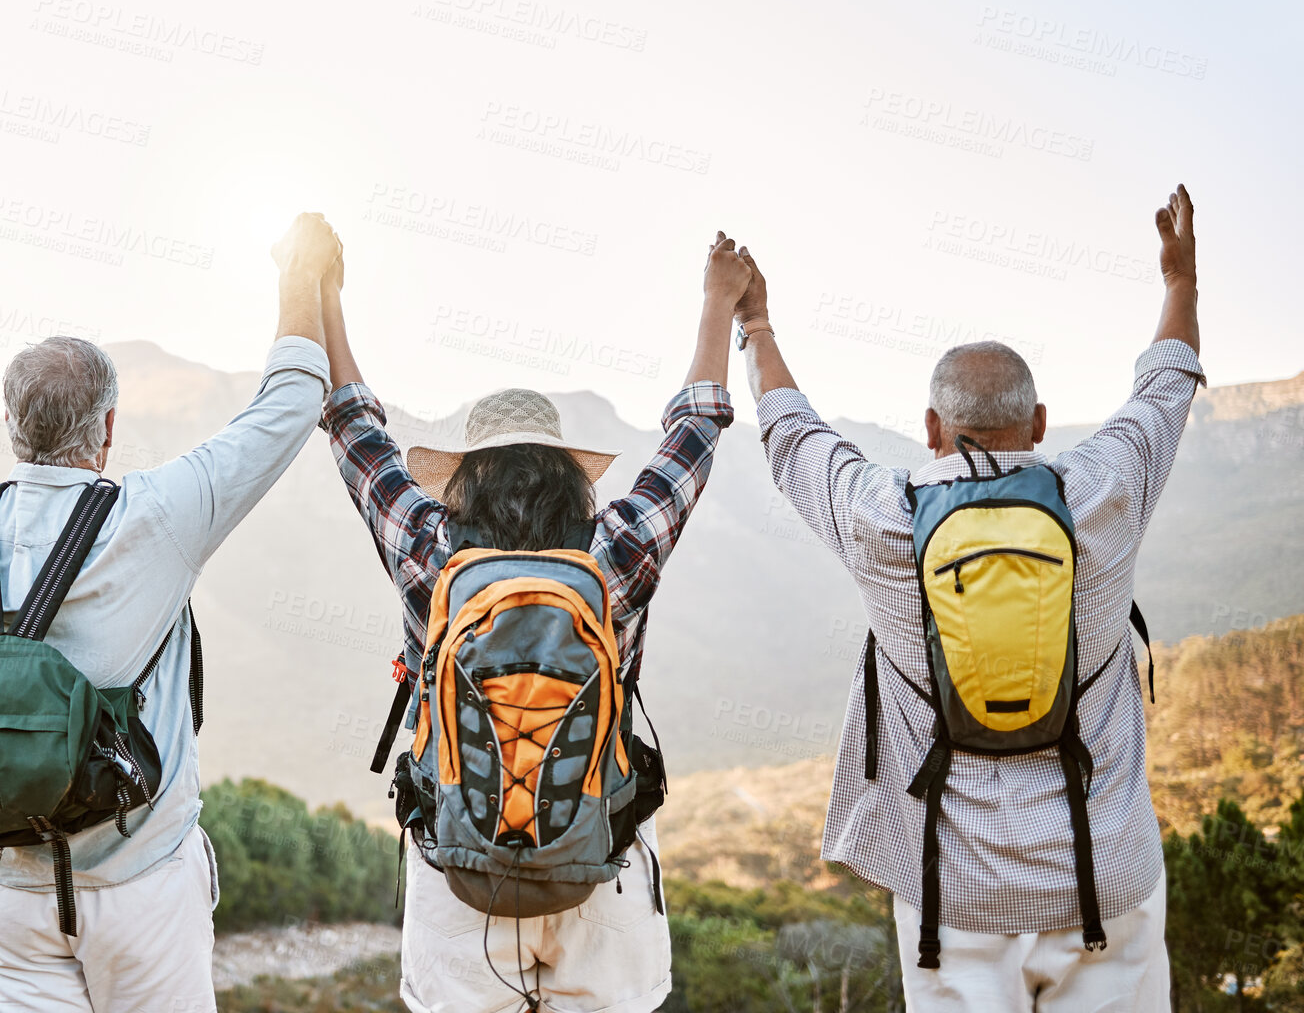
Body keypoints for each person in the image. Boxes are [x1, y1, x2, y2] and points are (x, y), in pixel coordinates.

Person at [735, 186, 1203, 1011]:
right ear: (1041, 422)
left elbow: (791, 434)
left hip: (951, 901)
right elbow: (1165, 389)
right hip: (1105, 878)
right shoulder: (1104, 489)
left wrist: (757, 327)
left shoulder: (884, 516)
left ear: (930, 427)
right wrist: (1180, 281)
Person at [0, 211, 339, 1011]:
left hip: (5, 885)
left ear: (12, 428)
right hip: (142, 882)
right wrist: (301, 271)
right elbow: (292, 398)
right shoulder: (159, 514)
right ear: (110, 430)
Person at [318, 229, 754, 1013]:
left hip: (459, 874)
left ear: (465, 480)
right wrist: (720, 303)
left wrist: (323, 294)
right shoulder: (616, 552)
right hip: (603, 865)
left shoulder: (428, 549)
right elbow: (693, 437)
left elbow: (354, 432)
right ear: (567, 477)